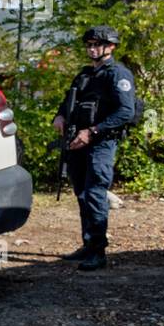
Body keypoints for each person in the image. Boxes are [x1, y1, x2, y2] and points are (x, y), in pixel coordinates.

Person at [53, 25, 137, 271]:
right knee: (81, 193)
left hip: (101, 142)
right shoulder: (84, 74)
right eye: (88, 45)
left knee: (94, 193)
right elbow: (68, 100)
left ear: (110, 47)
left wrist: (93, 131)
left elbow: (125, 111)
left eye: (96, 45)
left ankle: (98, 252)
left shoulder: (118, 74)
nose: (91, 49)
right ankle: (88, 244)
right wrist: (59, 116)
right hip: (77, 140)